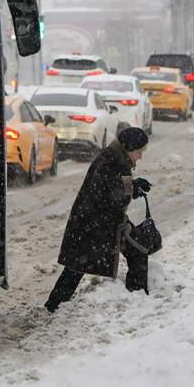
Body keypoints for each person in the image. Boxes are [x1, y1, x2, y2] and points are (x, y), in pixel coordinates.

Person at [44, 127, 152, 313]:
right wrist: (132, 187)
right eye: (139, 151)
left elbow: (113, 187)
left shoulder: (116, 158)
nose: (140, 156)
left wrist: (133, 187)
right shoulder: (111, 161)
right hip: (95, 224)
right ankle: (137, 300)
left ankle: (54, 305)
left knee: (77, 266)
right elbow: (106, 190)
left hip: (101, 222)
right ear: (129, 147)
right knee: (77, 266)